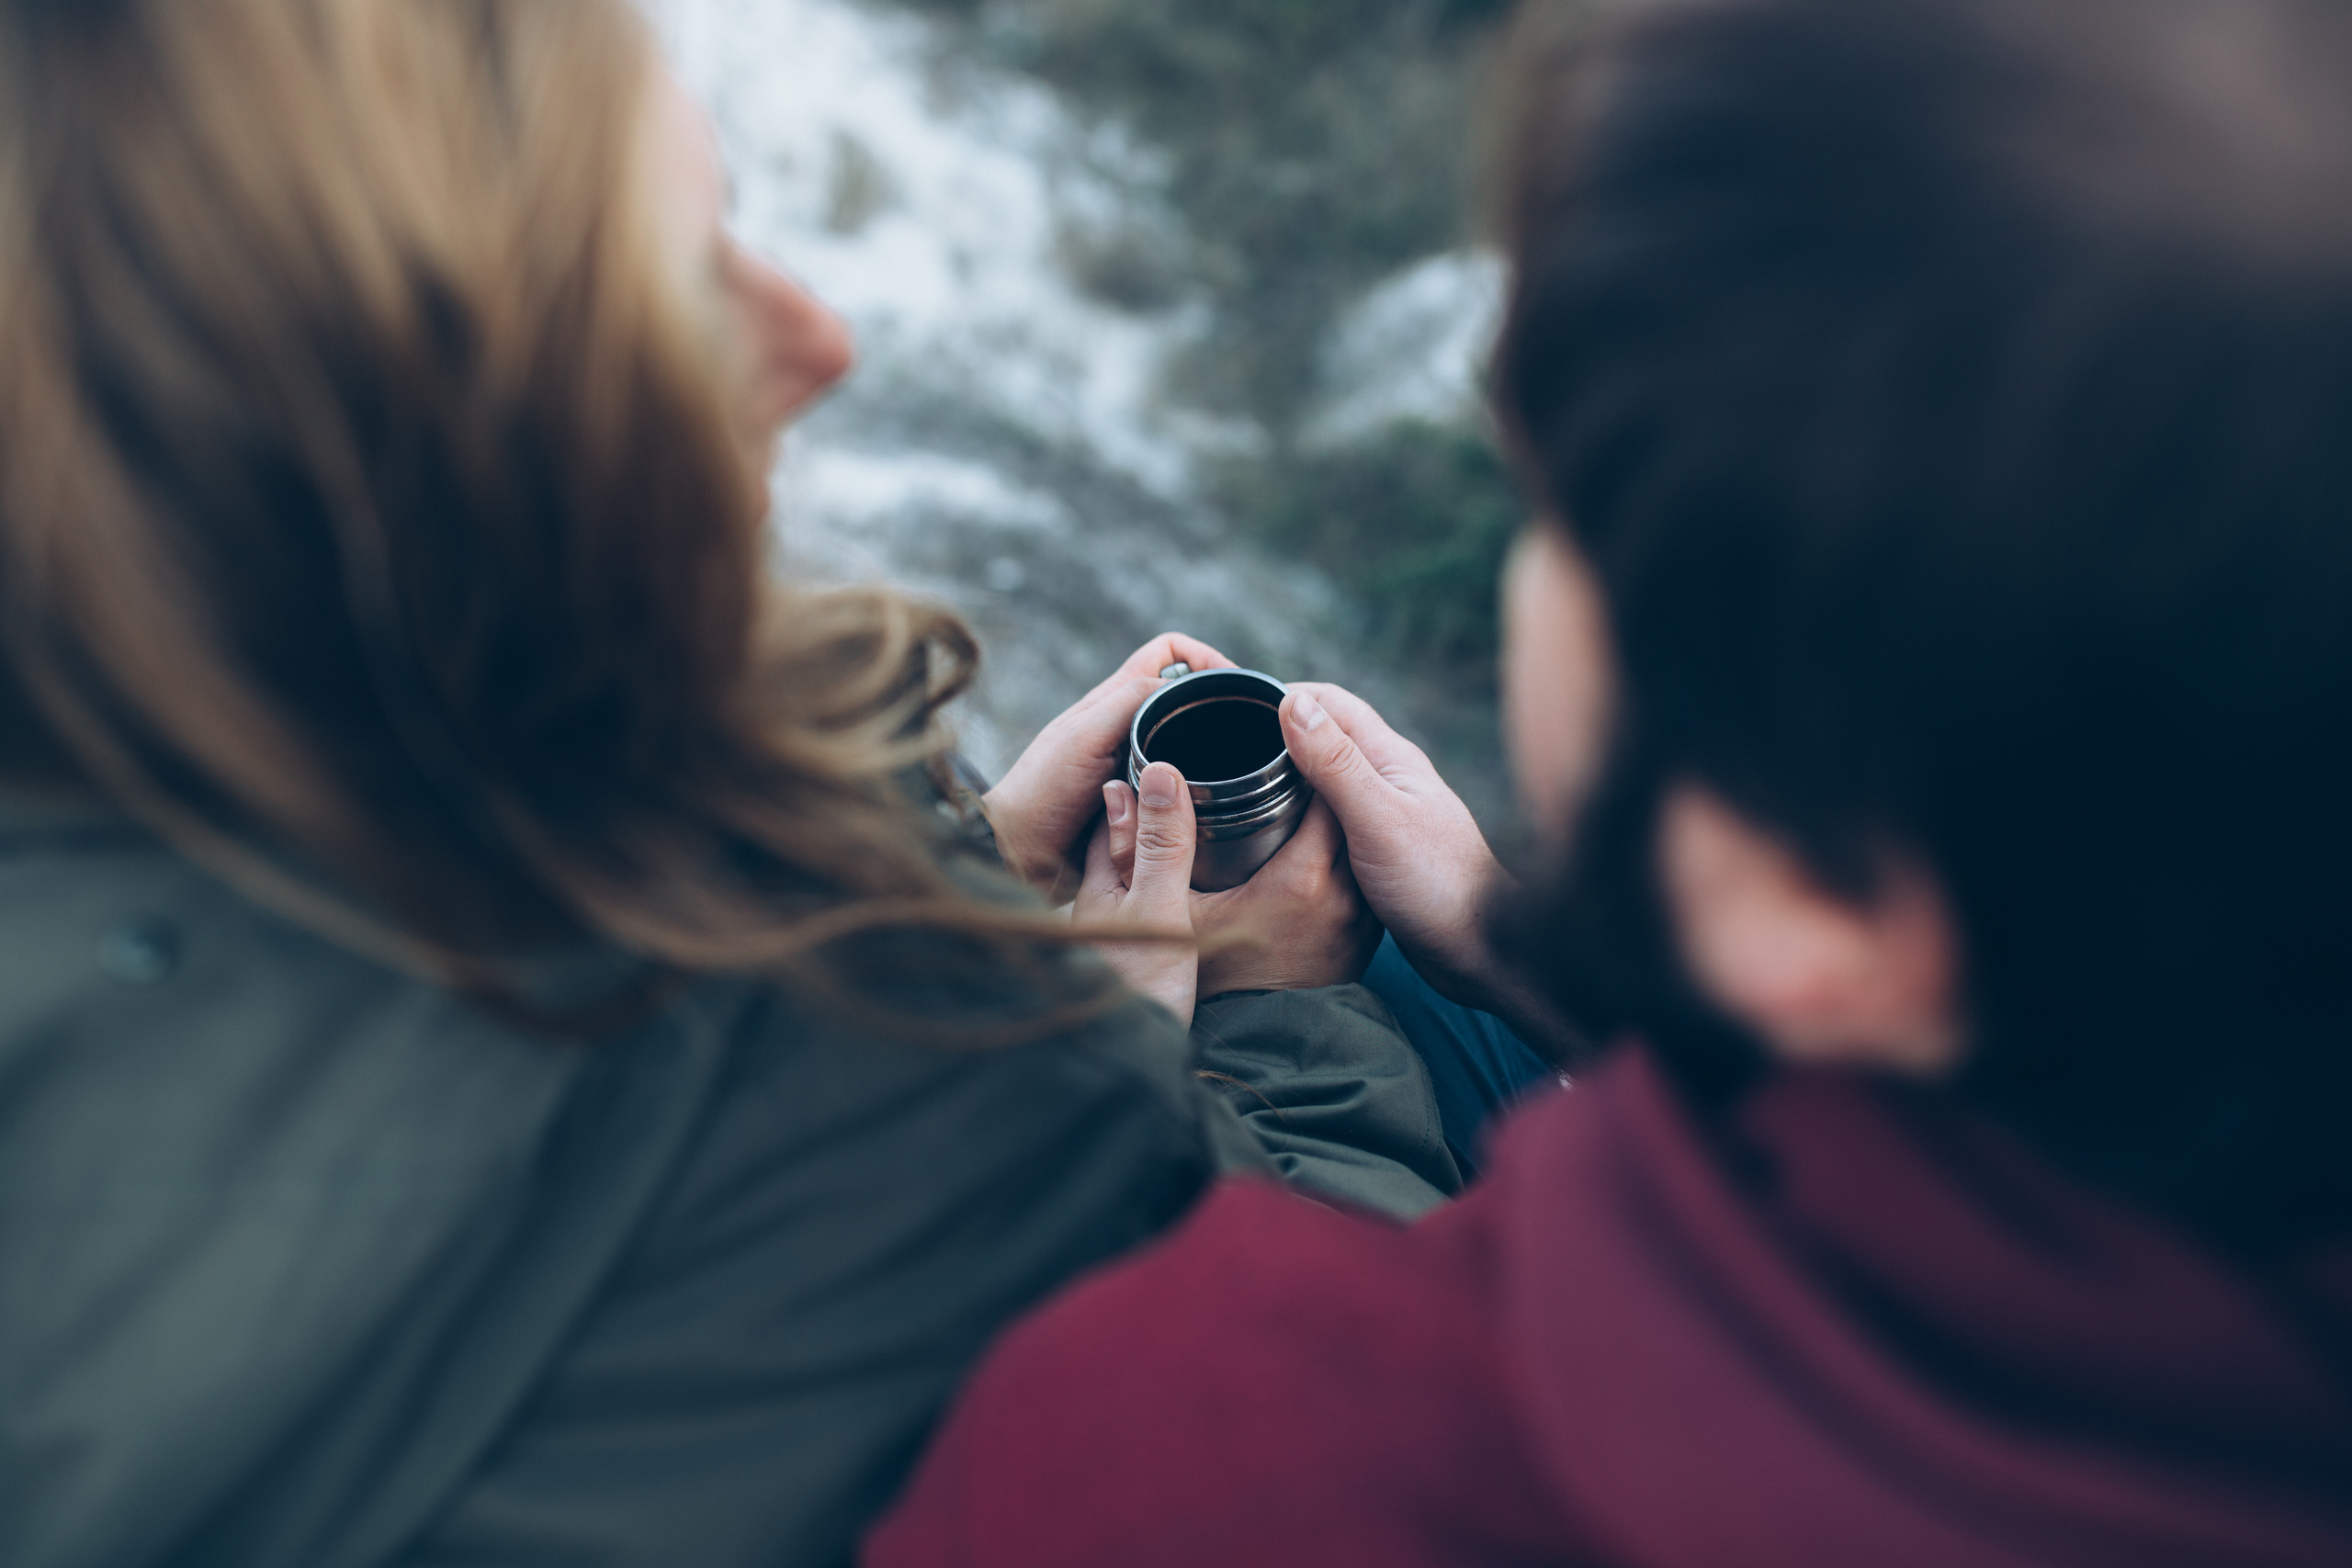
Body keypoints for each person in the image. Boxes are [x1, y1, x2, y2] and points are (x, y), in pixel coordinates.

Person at [865, 0, 2352, 1562]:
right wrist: (1528, 957)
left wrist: (1077, 1098)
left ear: (1812, 897)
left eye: (1562, 521)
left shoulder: (1207, 1450)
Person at [0, 3, 1458, 1564]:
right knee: (1466, 1022)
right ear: (444, 436)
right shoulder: (972, 1107)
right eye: (680, 281)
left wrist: (950, 863)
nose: (818, 343)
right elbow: (1420, 1442)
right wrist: (1250, 1019)